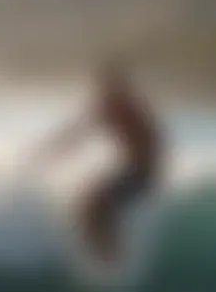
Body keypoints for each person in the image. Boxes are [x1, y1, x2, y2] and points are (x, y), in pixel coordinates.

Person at [25, 58, 162, 263]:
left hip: (141, 173)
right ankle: (106, 260)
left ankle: (111, 262)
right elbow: (78, 131)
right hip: (136, 171)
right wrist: (46, 152)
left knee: (95, 207)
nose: (100, 90)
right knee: (87, 208)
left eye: (105, 85)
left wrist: (48, 151)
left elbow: (151, 142)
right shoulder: (117, 105)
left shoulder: (125, 106)